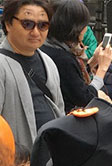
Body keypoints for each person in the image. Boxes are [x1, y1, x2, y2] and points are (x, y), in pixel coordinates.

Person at [0, 0, 64, 149]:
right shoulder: (2, 65)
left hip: (51, 158)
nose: (35, 32)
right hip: (15, 164)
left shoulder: (48, 62)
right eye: (27, 24)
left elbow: (59, 108)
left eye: (43, 25)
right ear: (9, 24)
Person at [41, 0, 112, 113]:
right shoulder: (63, 58)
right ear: (74, 27)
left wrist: (91, 63)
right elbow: (84, 98)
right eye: (84, 25)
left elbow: (72, 80)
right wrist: (102, 70)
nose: (86, 29)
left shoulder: (48, 47)